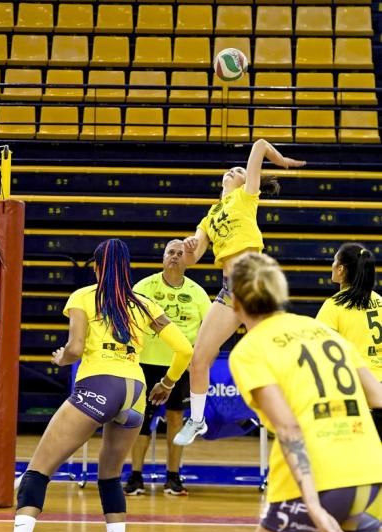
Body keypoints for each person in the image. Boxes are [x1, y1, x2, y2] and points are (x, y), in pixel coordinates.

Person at [0, 238, 193, 532]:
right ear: (127, 269)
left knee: (38, 470)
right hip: (135, 392)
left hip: (99, 385)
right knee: (109, 477)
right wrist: (167, 382)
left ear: (96, 266)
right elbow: (184, 349)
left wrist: (62, 358)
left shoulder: (83, 296)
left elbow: (75, 348)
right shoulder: (145, 303)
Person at [223, 252, 382, 532]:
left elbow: (288, 425)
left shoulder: (251, 349)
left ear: (236, 304)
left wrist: (311, 501)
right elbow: (378, 396)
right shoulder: (323, 331)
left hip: (315, 482)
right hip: (370, 476)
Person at [173, 140, 306, 447]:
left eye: (240, 169)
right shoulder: (208, 218)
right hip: (228, 290)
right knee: (198, 359)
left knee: (270, 353)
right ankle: (197, 419)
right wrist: (186, 247)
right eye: (231, 169)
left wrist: (281, 160)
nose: (233, 170)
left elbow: (259, 145)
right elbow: (191, 258)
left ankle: (287, 407)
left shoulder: (246, 197)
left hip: (254, 282)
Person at [124, 239, 211, 496]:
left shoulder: (197, 293)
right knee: (141, 419)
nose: (174, 256)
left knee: (176, 419)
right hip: (147, 362)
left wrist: (198, 361)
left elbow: (208, 331)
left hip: (181, 366)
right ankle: (136, 476)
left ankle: (173, 477)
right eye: (170, 253)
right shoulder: (144, 287)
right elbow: (129, 322)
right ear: (163, 258)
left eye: (179, 253)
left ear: (188, 259)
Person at [317, 242, 382, 439]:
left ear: (341, 269)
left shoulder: (333, 306)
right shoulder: (379, 300)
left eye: (334, 261)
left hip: (356, 392)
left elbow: (320, 351)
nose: (332, 265)